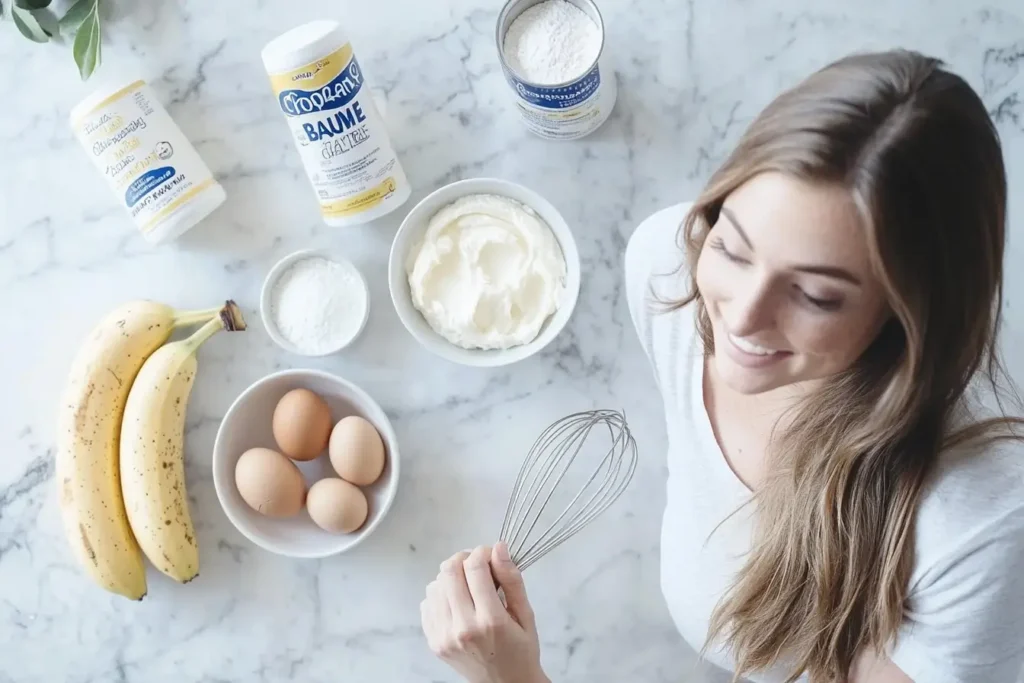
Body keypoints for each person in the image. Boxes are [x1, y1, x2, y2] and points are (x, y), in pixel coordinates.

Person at [419, 50, 1024, 683]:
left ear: (914, 313)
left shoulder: (974, 517)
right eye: (732, 249)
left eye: (815, 296)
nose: (741, 319)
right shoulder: (666, 273)